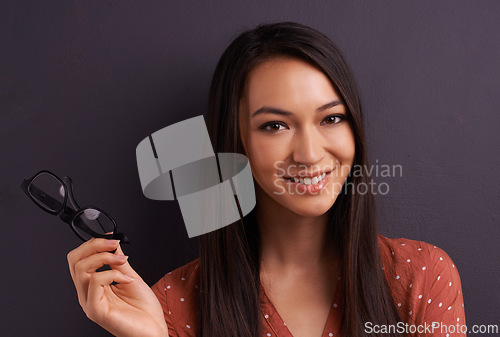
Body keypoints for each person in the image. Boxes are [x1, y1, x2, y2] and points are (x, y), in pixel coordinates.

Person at [67, 22, 466, 337]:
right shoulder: (171, 304)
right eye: (275, 126)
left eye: (331, 118)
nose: (309, 153)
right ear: (232, 141)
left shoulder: (422, 275)